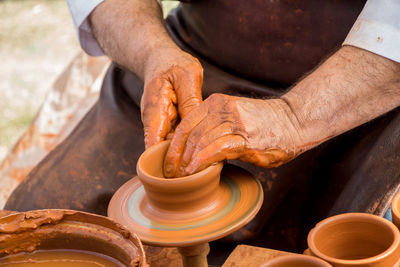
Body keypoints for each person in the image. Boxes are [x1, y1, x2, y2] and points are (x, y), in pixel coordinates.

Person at [5, 0, 400, 262]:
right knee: (45, 227)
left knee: (341, 249)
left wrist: (294, 117)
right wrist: (151, 53)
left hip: (363, 87)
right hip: (190, 64)